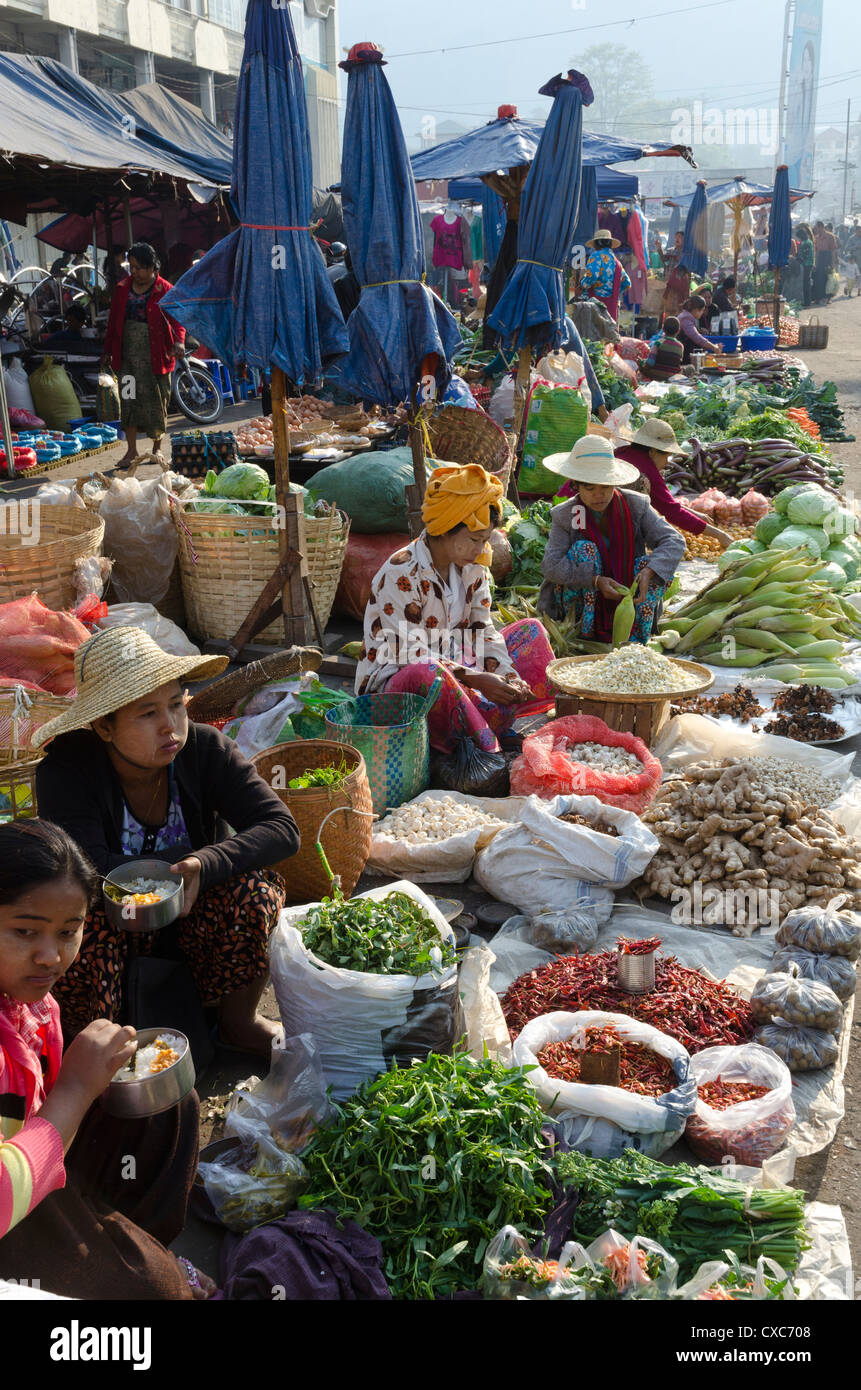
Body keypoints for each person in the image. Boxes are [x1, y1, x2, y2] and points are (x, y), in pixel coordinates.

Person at [32, 627, 299, 1054]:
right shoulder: (66, 771)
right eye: (147, 713)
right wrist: (180, 861)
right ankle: (98, 1044)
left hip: (193, 920)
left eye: (176, 705)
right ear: (104, 726)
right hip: (116, 927)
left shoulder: (205, 749)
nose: (170, 726)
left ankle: (237, 1023)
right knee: (79, 921)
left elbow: (280, 829)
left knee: (256, 890)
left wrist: (206, 864)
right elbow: (87, 869)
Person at [0, 819, 208, 1299]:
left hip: (36, 1163)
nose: (50, 956)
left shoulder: (33, 1005)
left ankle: (124, 1241)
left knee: (168, 1106)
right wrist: (75, 1089)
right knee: (156, 1291)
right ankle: (116, 1263)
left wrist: (89, 1080)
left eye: (69, 931)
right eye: (25, 932)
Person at [355, 465, 556, 755]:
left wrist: (508, 676)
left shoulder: (472, 567)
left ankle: (485, 722)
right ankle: (474, 737)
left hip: (457, 662)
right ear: (447, 529)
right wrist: (475, 678)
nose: (481, 548)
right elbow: (407, 654)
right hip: (399, 683)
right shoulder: (401, 572)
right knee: (429, 671)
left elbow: (482, 628)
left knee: (531, 632)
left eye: (485, 539)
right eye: (475, 539)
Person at [538, 436, 685, 642]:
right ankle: (586, 631)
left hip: (629, 591)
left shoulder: (634, 505)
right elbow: (551, 566)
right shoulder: (568, 514)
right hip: (583, 597)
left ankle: (636, 637)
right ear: (576, 486)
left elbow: (674, 540)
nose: (598, 495)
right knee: (584, 549)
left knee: (652, 565)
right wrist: (595, 581)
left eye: (605, 487)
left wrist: (648, 570)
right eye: (589, 488)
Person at [100, 240, 186, 468]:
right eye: (132, 267)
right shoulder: (122, 289)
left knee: (157, 402)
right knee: (128, 401)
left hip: (156, 358)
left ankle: (157, 450)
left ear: (152, 267)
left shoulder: (165, 290)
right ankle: (131, 452)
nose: (134, 272)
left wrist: (178, 341)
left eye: (139, 267)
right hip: (127, 359)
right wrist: (107, 350)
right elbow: (113, 323)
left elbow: (178, 320)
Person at [613, 419, 732, 547]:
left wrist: (695, 514)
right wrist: (720, 535)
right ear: (652, 451)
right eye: (666, 456)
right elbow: (672, 512)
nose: (667, 462)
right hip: (616, 529)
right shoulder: (647, 471)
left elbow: (667, 504)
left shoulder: (623, 451)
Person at [580, 229, 631, 323]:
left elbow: (592, 277)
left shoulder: (596, 256)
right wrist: (615, 291)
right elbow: (627, 283)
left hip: (596, 305)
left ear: (597, 243)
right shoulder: (616, 262)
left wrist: (582, 284)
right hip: (612, 306)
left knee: (595, 335)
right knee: (610, 335)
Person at [677, 295, 723, 362]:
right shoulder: (686, 319)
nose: (702, 313)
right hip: (681, 355)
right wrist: (714, 347)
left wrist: (713, 346)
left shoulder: (687, 316)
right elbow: (696, 338)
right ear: (696, 310)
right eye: (702, 310)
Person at [639, 316, 685, 380]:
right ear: (678, 331)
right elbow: (678, 363)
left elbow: (650, 362)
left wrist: (642, 363)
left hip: (656, 376)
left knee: (640, 363)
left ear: (663, 329)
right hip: (672, 377)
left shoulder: (658, 343)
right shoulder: (680, 346)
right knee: (690, 368)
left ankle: (640, 382)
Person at [661, 231, 690, 316]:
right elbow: (663, 259)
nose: (677, 239)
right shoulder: (670, 250)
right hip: (670, 282)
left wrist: (680, 260)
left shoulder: (686, 253)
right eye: (676, 237)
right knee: (669, 305)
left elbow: (688, 267)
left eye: (680, 237)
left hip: (681, 284)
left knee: (680, 304)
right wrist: (659, 248)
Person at [812, 221, 838, 303]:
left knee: (828, 279)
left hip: (828, 258)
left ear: (821, 227)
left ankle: (828, 298)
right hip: (819, 259)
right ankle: (818, 297)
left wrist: (833, 263)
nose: (815, 230)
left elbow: (833, 250)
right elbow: (815, 251)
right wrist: (815, 262)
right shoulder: (816, 237)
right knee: (818, 279)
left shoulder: (830, 236)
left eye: (816, 228)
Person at [795, 225, 814, 307]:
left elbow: (804, 256)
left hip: (807, 265)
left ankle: (807, 302)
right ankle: (807, 301)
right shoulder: (808, 242)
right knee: (806, 282)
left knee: (806, 283)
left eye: (799, 237)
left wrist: (797, 260)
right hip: (808, 264)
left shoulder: (806, 243)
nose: (798, 239)